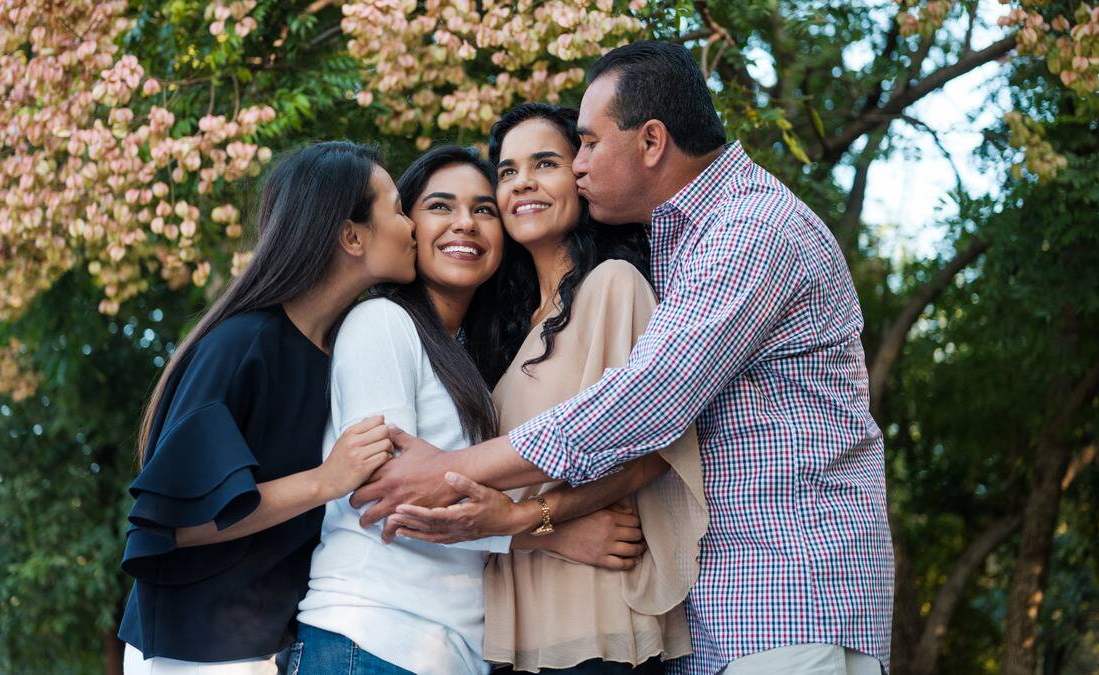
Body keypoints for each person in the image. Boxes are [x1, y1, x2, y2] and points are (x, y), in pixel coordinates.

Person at [352, 41, 895, 675]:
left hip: (787, 591)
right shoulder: (683, 244)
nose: (577, 165)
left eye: (584, 144)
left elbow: (645, 403)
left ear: (652, 141)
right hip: (726, 610)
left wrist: (458, 476)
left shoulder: (750, 231)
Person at [295, 145, 644, 675]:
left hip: (449, 650)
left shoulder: (477, 361)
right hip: (372, 634)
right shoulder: (382, 323)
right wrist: (555, 533)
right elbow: (389, 495)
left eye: (484, 210)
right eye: (440, 207)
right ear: (407, 226)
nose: (466, 224)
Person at [386, 104, 709, 674]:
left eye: (545, 163)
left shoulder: (614, 286)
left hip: (594, 621)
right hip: (509, 630)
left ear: (581, 179)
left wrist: (533, 517)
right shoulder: (506, 333)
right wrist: (545, 532)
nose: (523, 183)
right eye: (507, 172)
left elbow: (650, 454)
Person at [118, 141, 415, 674]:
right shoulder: (242, 345)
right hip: (192, 653)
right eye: (397, 208)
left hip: (267, 648)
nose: (412, 223)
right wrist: (328, 480)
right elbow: (176, 523)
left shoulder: (342, 350)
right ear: (352, 236)